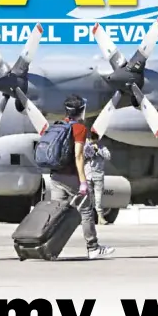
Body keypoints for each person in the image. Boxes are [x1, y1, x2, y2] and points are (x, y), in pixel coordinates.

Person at [48, 95, 114, 259]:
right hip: (71, 176)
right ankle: (93, 247)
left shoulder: (58, 125)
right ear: (81, 110)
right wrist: (83, 182)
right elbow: (79, 156)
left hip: (56, 176)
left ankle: (48, 247)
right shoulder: (79, 128)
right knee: (86, 211)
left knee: (57, 213)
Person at [84, 131, 112, 225]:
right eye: (91, 140)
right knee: (89, 198)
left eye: (94, 140)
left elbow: (108, 156)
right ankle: (89, 218)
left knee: (98, 198)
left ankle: (100, 217)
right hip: (88, 175)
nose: (92, 142)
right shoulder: (85, 146)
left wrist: (98, 150)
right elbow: (80, 157)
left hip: (98, 175)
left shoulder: (102, 147)